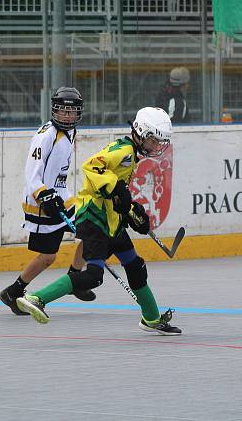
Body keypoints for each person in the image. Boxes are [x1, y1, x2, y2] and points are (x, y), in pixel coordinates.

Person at [17, 107, 182, 335]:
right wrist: (115, 189)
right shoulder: (123, 151)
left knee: (135, 266)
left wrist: (133, 212)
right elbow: (92, 166)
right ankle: (36, 299)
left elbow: (117, 192)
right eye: (154, 141)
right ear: (141, 133)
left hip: (111, 221)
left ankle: (151, 318)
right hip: (95, 220)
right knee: (93, 276)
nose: (156, 147)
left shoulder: (131, 153)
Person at [0, 87, 95, 315]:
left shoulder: (71, 131)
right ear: (55, 111)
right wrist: (45, 194)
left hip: (62, 196)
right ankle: (13, 292)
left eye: (73, 112)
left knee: (90, 230)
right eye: (63, 112)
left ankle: (75, 278)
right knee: (48, 256)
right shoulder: (45, 136)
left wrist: (56, 194)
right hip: (42, 202)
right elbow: (32, 174)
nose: (68, 116)